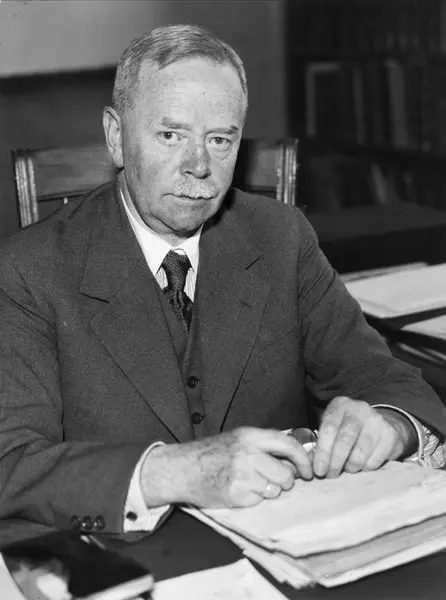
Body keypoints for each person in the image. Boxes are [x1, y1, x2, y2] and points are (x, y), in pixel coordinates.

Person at [0, 24, 445, 537]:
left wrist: (390, 424)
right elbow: (11, 464)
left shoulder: (280, 236)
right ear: (116, 137)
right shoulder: (29, 269)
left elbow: (385, 379)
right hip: (132, 556)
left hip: (290, 540)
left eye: (219, 140)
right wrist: (176, 472)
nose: (199, 166)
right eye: (170, 135)